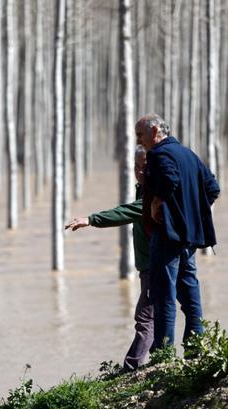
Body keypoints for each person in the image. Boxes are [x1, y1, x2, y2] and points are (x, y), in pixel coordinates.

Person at [135, 113, 220, 351]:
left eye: (140, 135)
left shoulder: (159, 154)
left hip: (167, 236)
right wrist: (190, 213)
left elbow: (169, 180)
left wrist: (157, 202)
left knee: (164, 295)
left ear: (154, 132)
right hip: (189, 237)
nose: (139, 141)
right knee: (191, 294)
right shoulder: (188, 154)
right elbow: (212, 188)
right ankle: (196, 349)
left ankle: (163, 353)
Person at [65, 146, 153, 370]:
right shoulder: (142, 190)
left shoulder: (154, 194)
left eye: (145, 167)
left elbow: (126, 212)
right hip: (149, 264)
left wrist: (92, 219)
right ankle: (164, 359)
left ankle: (132, 368)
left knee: (145, 318)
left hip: (157, 264)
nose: (140, 172)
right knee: (158, 315)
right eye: (136, 167)